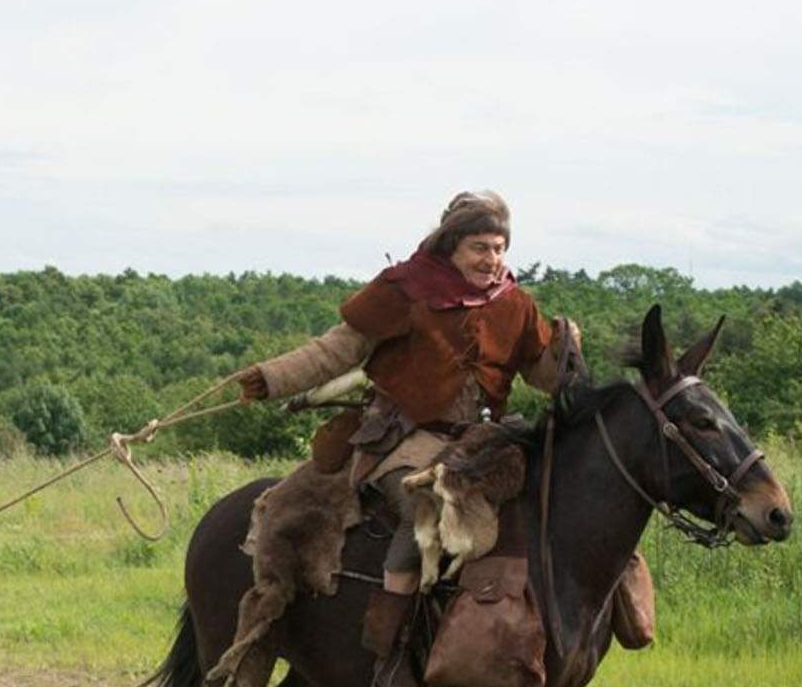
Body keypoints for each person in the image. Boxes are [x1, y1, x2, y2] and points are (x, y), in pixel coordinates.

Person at [236, 190, 580, 659]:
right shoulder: (405, 289)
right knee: (427, 508)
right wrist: (273, 378)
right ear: (450, 246)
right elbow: (336, 350)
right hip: (404, 436)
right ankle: (389, 645)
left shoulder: (514, 303)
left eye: (499, 248)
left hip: (482, 442)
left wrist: (565, 356)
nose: (492, 260)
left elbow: (542, 374)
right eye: (480, 247)